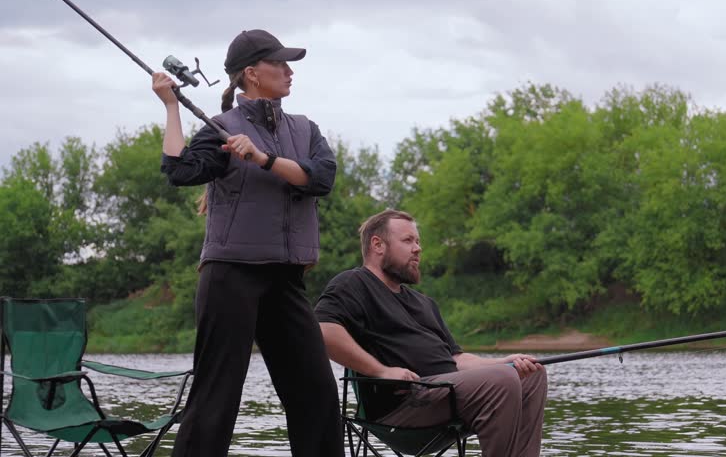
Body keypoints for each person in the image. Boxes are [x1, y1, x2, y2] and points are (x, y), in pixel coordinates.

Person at [152, 29, 343, 457]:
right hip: (231, 277)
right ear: (253, 74)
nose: (290, 72)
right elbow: (180, 171)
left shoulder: (305, 129)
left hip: (286, 280)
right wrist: (171, 107)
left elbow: (321, 178)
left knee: (317, 394)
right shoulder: (222, 129)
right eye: (281, 64)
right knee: (216, 398)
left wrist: (263, 158)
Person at [314, 209, 548, 457]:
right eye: (408, 241)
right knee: (502, 380)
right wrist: (380, 370)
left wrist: (501, 363)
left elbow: (456, 360)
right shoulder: (354, 284)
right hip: (405, 404)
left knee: (530, 375)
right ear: (377, 245)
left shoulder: (424, 303)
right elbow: (322, 331)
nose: (418, 248)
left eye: (418, 241)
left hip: (449, 394)